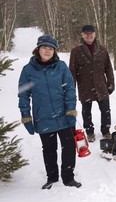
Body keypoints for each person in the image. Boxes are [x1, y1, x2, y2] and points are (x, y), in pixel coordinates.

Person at [18, 35, 81, 189]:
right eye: (44, 47)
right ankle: (52, 178)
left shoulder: (61, 66)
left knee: (69, 147)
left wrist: (71, 109)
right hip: (43, 116)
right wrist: (26, 116)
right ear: (38, 49)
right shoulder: (28, 70)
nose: (47, 50)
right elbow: (23, 95)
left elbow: (70, 89)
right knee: (49, 149)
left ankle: (68, 178)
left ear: (54, 51)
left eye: (51, 48)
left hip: (64, 115)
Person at [69, 25, 115, 142]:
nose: (89, 36)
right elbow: (72, 71)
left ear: (95, 34)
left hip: (101, 86)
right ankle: (89, 131)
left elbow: (108, 68)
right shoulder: (76, 51)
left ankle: (106, 130)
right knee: (86, 111)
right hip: (85, 86)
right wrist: (71, 89)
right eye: (86, 33)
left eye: (91, 33)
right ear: (82, 35)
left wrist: (111, 84)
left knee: (106, 110)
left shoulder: (102, 49)